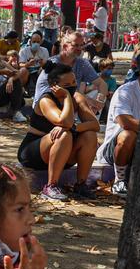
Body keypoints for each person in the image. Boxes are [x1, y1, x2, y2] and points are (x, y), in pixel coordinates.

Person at [17, 62, 100, 201]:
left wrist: (74, 127)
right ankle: (50, 186)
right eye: (67, 85)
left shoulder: (78, 97)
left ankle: (80, 184)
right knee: (64, 134)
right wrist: (67, 97)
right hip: (34, 153)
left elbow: (94, 125)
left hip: (63, 151)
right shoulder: (46, 100)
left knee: (90, 135)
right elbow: (64, 122)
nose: (73, 86)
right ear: (55, 86)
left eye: (74, 82)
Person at [97, 50, 140, 197]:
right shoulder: (125, 92)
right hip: (115, 149)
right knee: (128, 135)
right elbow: (125, 122)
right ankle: (120, 180)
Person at [33, 29, 109, 114]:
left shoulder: (82, 63)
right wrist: (87, 100)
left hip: (68, 104)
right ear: (65, 47)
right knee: (80, 99)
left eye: (81, 45)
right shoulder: (53, 63)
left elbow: (102, 84)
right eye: (76, 45)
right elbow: (60, 93)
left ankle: (89, 121)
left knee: (96, 94)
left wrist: (99, 101)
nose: (80, 48)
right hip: (47, 107)